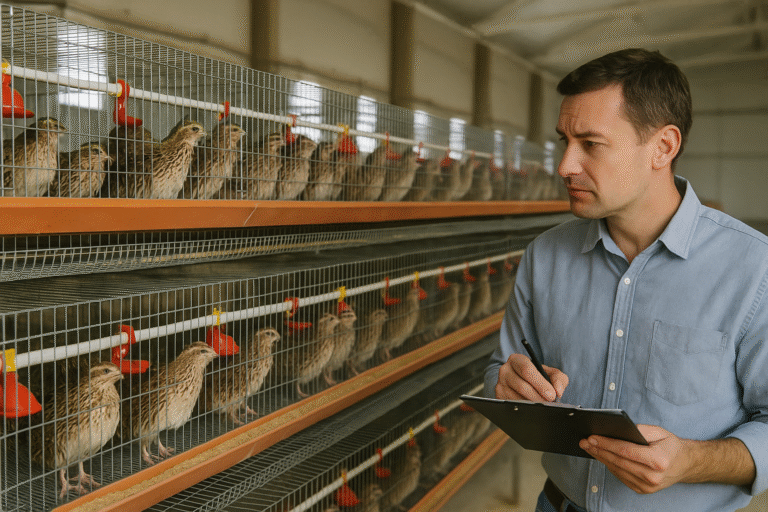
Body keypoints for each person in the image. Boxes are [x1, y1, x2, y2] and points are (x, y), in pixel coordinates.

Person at [484, 48, 768, 512]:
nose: (564, 166)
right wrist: (508, 383)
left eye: (591, 144)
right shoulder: (546, 256)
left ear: (663, 147)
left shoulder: (754, 269)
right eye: (564, 141)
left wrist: (691, 461)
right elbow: (502, 368)